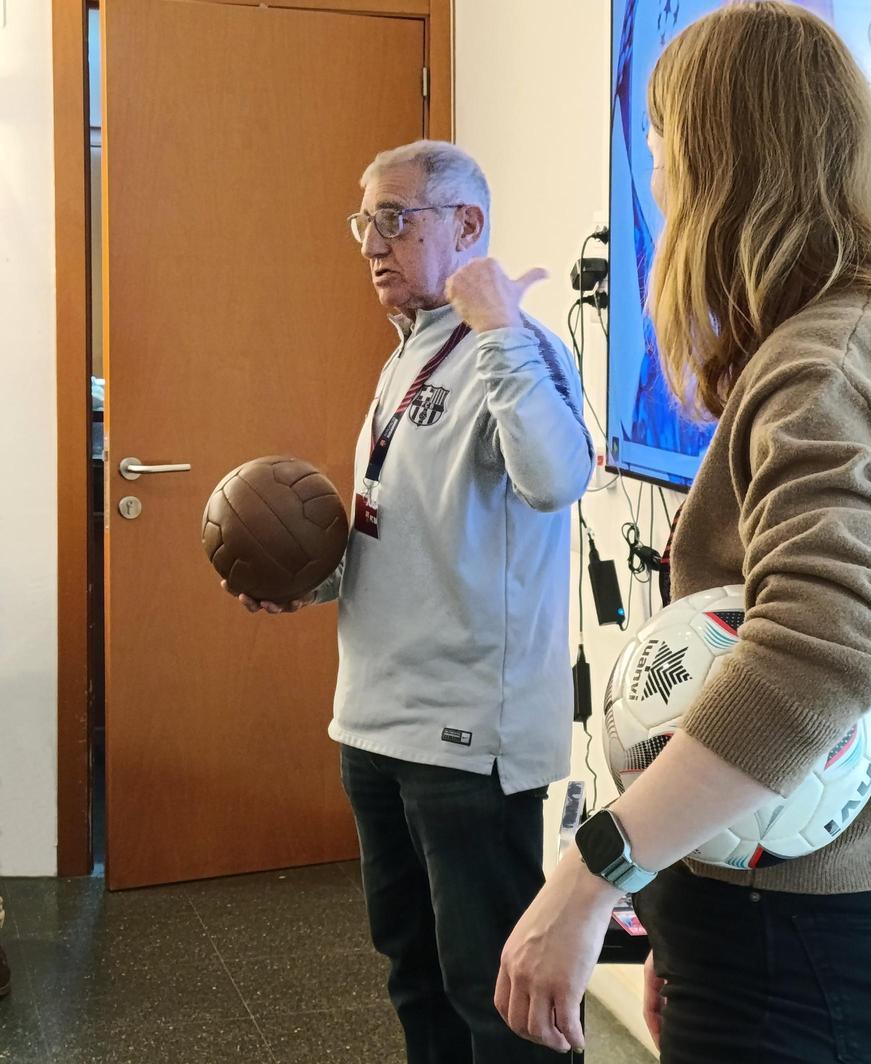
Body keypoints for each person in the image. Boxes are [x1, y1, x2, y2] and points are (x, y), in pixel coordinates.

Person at [495, 5, 871, 1062]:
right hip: (787, 944)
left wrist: (591, 873)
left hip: (800, 954)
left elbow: (819, 656)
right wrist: (684, 916)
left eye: (663, 142)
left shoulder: (826, 368)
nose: (656, 175)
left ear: (719, 163)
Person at [226, 140, 592, 1063]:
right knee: (412, 974)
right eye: (365, 222)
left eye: (396, 218)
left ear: (468, 224)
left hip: (468, 739)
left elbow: (555, 479)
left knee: (496, 995)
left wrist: (501, 329)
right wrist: (318, 582)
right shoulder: (407, 356)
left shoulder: (518, 347)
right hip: (373, 724)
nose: (372, 243)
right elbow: (412, 529)